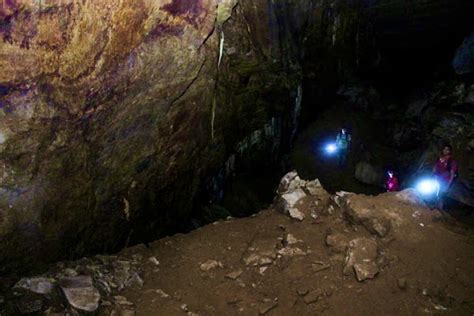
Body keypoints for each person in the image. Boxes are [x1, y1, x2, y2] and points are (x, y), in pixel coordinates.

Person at [432, 144, 458, 210]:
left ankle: (439, 210)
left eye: (447, 149)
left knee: (441, 196)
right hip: (438, 179)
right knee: (435, 194)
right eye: (444, 149)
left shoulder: (452, 161)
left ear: (450, 151)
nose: (445, 151)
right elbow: (435, 168)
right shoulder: (439, 159)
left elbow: (452, 174)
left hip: (445, 181)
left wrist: (448, 185)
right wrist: (433, 176)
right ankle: (435, 208)